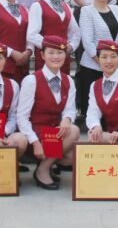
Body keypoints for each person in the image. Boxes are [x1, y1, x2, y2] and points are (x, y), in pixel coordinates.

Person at [17, 37, 80, 190]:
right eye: (51, 53)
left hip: (55, 135)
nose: (56, 57)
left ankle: (45, 164)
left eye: (60, 52)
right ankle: (43, 170)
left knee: (74, 156)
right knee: (75, 131)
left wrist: (66, 119)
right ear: (42, 55)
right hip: (35, 136)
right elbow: (22, 117)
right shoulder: (31, 80)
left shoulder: (68, 80)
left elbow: (70, 108)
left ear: (65, 55)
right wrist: (35, 142)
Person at [77, 0, 118, 118]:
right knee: (93, 113)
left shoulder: (117, 9)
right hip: (92, 68)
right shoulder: (86, 11)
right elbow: (88, 43)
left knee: (112, 113)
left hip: (115, 68)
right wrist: (105, 64)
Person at [27, 0, 80, 75]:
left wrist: (71, 47)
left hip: (63, 58)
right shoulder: (37, 6)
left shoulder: (66, 5)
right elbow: (32, 35)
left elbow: (75, 32)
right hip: (45, 58)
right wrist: (52, 49)